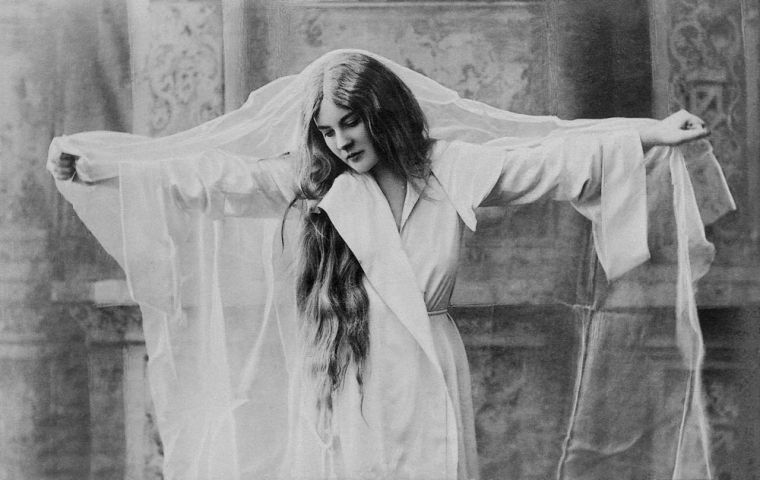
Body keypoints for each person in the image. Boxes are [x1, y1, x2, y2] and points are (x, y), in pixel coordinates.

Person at [48, 50, 723, 480]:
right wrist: (108, 168)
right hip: (348, 366)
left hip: (430, 359)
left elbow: (552, 160)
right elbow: (214, 177)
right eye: (328, 130)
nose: (342, 142)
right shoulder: (318, 183)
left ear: (383, 114)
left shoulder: (449, 169)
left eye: (352, 123)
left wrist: (654, 133)